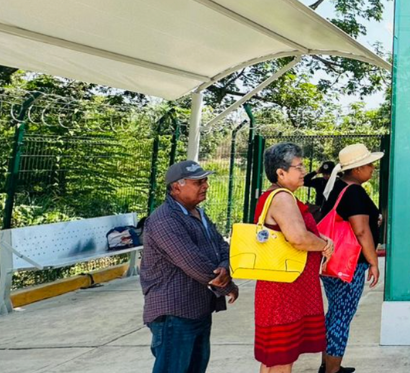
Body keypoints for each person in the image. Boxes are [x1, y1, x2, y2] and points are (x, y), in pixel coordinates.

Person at [140, 160, 238, 373]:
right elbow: (194, 263)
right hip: (175, 313)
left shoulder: (197, 213)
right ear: (176, 187)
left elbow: (222, 245)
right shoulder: (164, 220)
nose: (206, 186)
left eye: (205, 181)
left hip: (197, 309)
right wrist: (227, 286)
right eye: (198, 182)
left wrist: (225, 265)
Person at [253, 143, 333, 373]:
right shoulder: (282, 198)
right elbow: (298, 238)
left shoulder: (273, 196)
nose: (303, 172)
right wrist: (324, 245)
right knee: (282, 357)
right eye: (298, 167)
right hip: (285, 289)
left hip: (281, 287)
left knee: (273, 357)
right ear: (281, 172)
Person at [316, 143, 385, 373]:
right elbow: (361, 230)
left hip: (332, 263)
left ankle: (328, 364)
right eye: (369, 165)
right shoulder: (353, 191)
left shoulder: (337, 187)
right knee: (341, 317)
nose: (373, 169)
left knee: (335, 313)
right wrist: (374, 262)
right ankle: (332, 370)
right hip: (349, 265)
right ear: (357, 170)